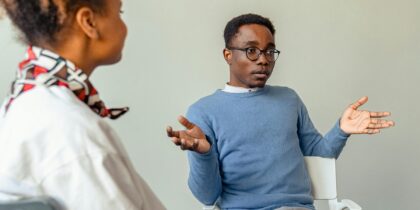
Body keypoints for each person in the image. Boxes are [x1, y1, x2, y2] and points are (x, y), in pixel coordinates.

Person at [166, 13, 394, 210]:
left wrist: (342, 130)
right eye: (251, 51)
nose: (264, 60)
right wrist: (203, 154)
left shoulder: (288, 99)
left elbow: (319, 152)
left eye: (270, 51)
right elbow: (207, 196)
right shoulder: (204, 112)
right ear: (228, 55)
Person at [0, 0, 165, 209]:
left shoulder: (27, 104)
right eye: (119, 13)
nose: (124, 27)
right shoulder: (68, 129)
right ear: (89, 22)